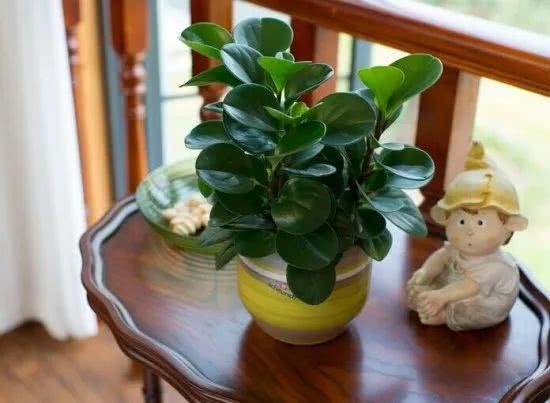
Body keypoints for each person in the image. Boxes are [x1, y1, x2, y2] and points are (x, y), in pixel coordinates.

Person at [407, 143, 528, 331]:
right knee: (421, 289)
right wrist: (425, 273)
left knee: (468, 307)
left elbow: (470, 286)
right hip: (453, 287)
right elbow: (440, 257)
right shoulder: (455, 249)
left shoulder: (497, 266)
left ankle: (444, 314)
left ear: (509, 227)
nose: (469, 231)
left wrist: (441, 297)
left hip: (485, 301)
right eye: (461, 221)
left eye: (480, 223)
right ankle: (431, 303)